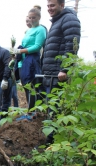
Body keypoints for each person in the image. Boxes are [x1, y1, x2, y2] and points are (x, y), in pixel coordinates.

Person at [42, 0, 80, 143]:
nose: (49, 8)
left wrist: (64, 69)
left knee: (55, 109)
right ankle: (51, 142)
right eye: (48, 6)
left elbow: (72, 44)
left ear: (62, 5)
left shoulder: (68, 18)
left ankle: (51, 144)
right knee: (51, 107)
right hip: (51, 73)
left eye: (52, 5)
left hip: (58, 74)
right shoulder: (58, 20)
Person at [11, 8, 47, 108]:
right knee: (26, 86)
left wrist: (20, 51)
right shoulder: (28, 30)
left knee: (32, 87)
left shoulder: (41, 29)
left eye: (34, 18)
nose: (31, 20)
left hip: (32, 61)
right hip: (22, 62)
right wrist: (16, 53)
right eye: (30, 17)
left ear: (39, 17)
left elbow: (37, 46)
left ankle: (33, 112)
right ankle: (30, 110)